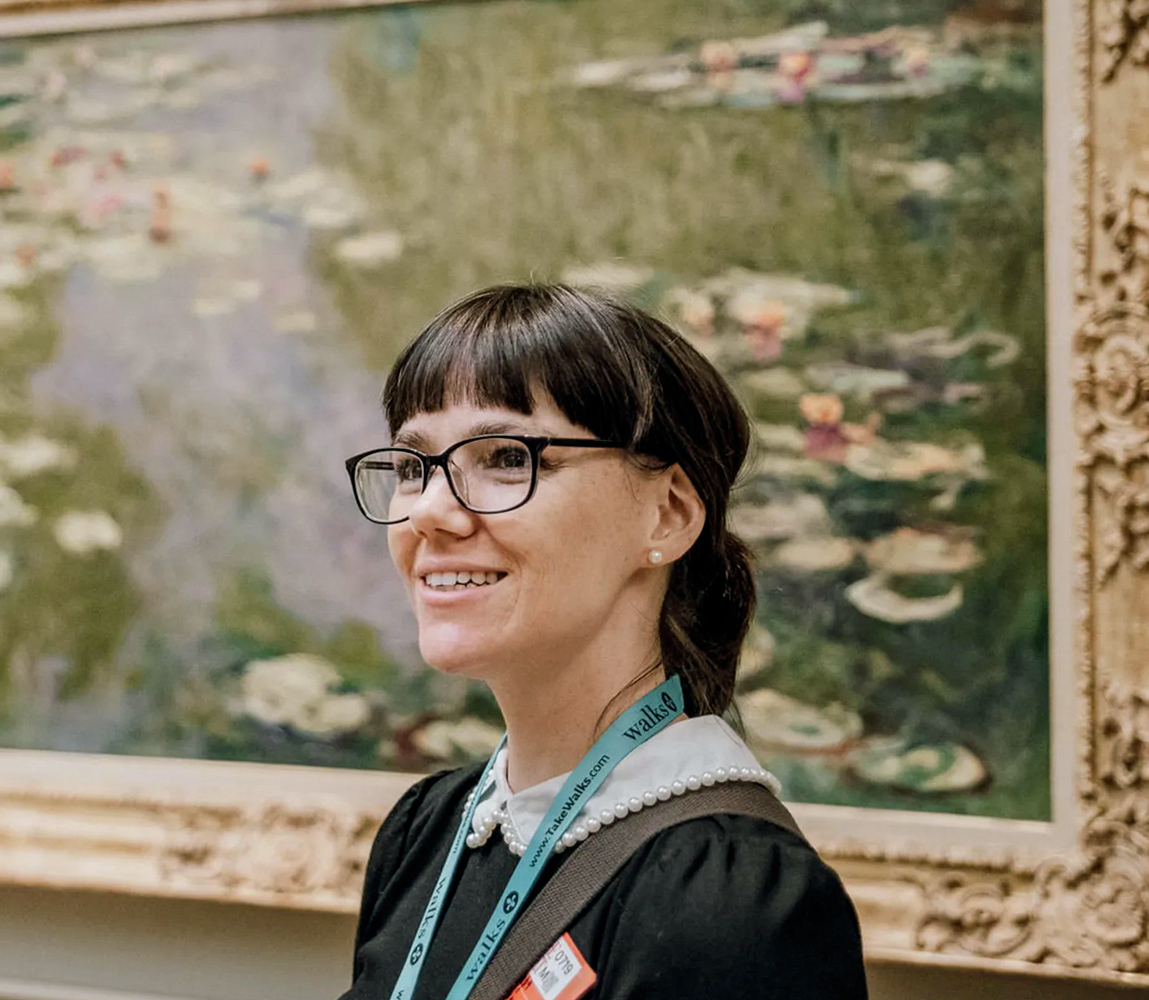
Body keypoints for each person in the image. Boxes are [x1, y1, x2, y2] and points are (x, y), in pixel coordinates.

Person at [339, 284, 866, 1000]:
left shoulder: (727, 900)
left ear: (668, 514)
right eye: (411, 466)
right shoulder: (427, 832)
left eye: (504, 457)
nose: (430, 511)